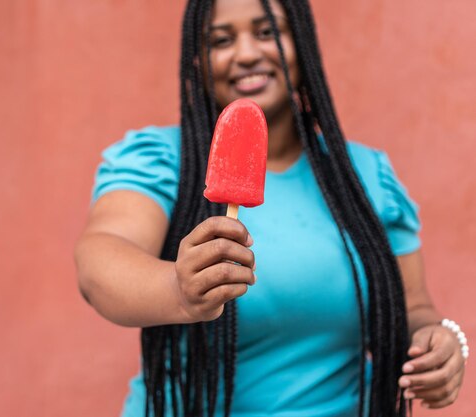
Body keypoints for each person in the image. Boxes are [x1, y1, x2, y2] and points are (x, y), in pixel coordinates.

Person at [74, 0, 467, 416]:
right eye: (222, 40)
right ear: (198, 57)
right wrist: (177, 289)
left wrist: (436, 340)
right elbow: (101, 261)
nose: (246, 54)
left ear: (302, 41)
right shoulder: (163, 159)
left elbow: (413, 306)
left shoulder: (364, 175)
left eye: (267, 32)